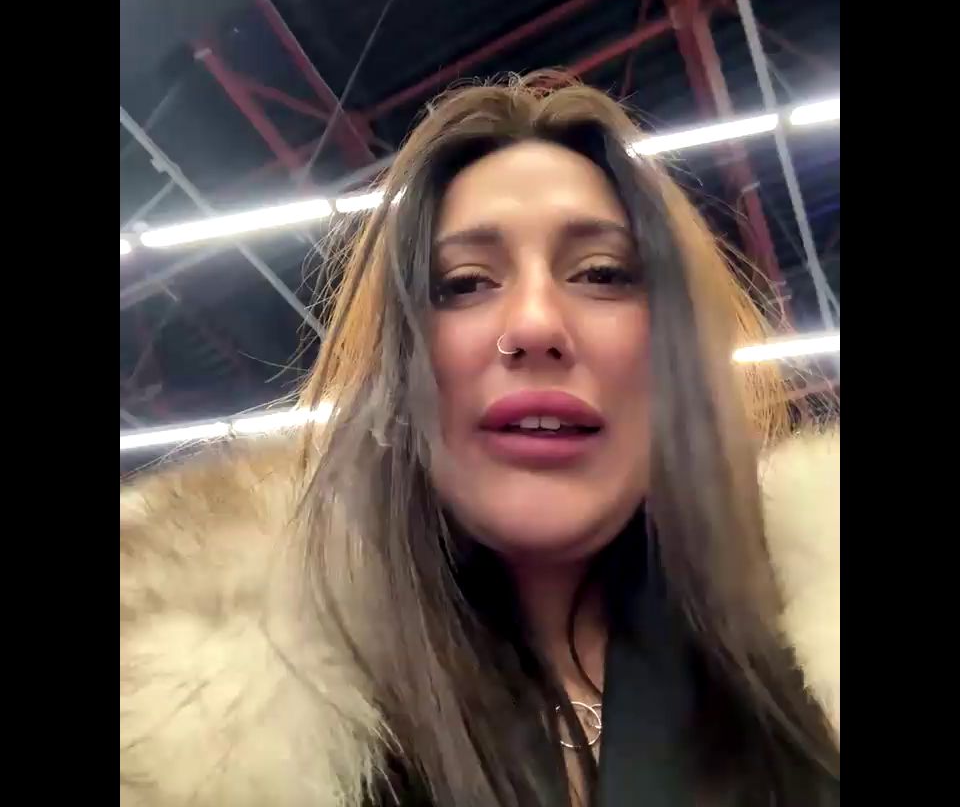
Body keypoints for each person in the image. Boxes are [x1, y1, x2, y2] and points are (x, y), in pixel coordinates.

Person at [120, 72, 840, 806]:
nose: (534, 325)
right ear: (398, 376)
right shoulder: (183, 743)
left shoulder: (815, 681)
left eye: (601, 273)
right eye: (464, 283)